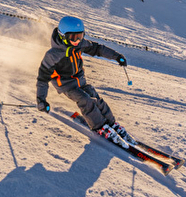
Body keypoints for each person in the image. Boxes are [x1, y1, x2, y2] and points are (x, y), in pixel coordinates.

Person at [36, 16, 132, 147]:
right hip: (65, 85)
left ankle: (111, 123)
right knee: (85, 100)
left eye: (80, 36)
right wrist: (41, 100)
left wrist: (117, 56)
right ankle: (100, 127)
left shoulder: (80, 44)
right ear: (63, 36)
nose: (77, 41)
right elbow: (42, 78)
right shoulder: (53, 55)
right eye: (73, 38)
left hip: (80, 80)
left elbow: (98, 49)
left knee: (95, 98)